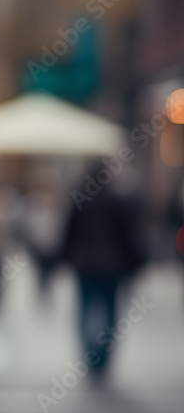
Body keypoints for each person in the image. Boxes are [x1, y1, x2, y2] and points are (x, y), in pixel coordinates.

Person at [61, 161, 145, 376]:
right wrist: (134, 263)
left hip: (86, 264)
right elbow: (129, 237)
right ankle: (103, 358)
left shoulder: (80, 200)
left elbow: (68, 235)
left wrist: (64, 257)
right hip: (112, 266)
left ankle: (90, 353)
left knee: (85, 309)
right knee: (110, 312)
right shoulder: (117, 201)